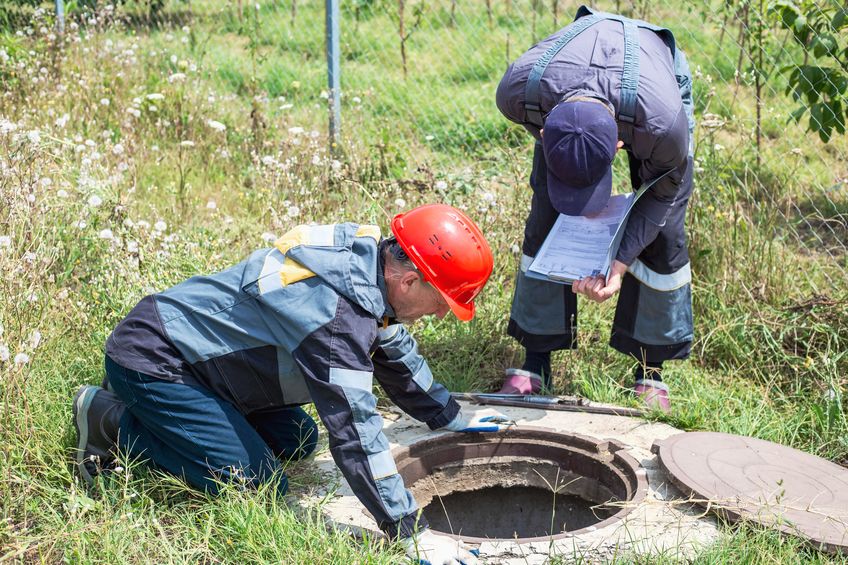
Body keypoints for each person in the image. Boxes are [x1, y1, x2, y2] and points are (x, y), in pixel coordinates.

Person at [72, 204, 509, 564]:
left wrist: (449, 417)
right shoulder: (337, 317)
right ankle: (108, 419)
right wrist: (408, 531)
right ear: (410, 280)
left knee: (298, 439)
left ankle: (197, 423)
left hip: (211, 368)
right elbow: (356, 432)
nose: (439, 315)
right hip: (156, 359)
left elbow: (392, 349)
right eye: (441, 302)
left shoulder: (366, 267)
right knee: (259, 483)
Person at [495, 6, 696, 411]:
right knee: (546, 216)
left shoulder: (662, 127)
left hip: (652, 80)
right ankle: (535, 360)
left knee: (664, 231)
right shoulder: (518, 93)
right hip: (562, 91)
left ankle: (649, 369)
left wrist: (618, 262)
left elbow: (663, 194)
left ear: (619, 145)